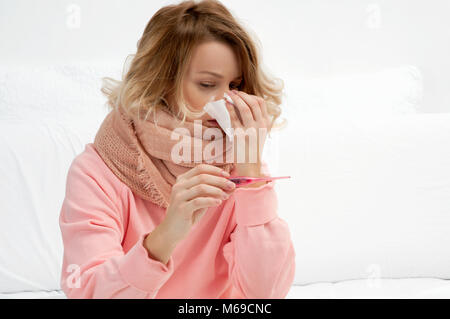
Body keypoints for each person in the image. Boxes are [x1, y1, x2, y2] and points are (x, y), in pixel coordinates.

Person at [59, 0, 295, 298]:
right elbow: (88, 291)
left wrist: (251, 176)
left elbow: (264, 295)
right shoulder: (97, 172)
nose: (227, 103)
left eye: (235, 86)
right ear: (159, 82)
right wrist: (167, 235)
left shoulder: (240, 165)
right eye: (208, 84)